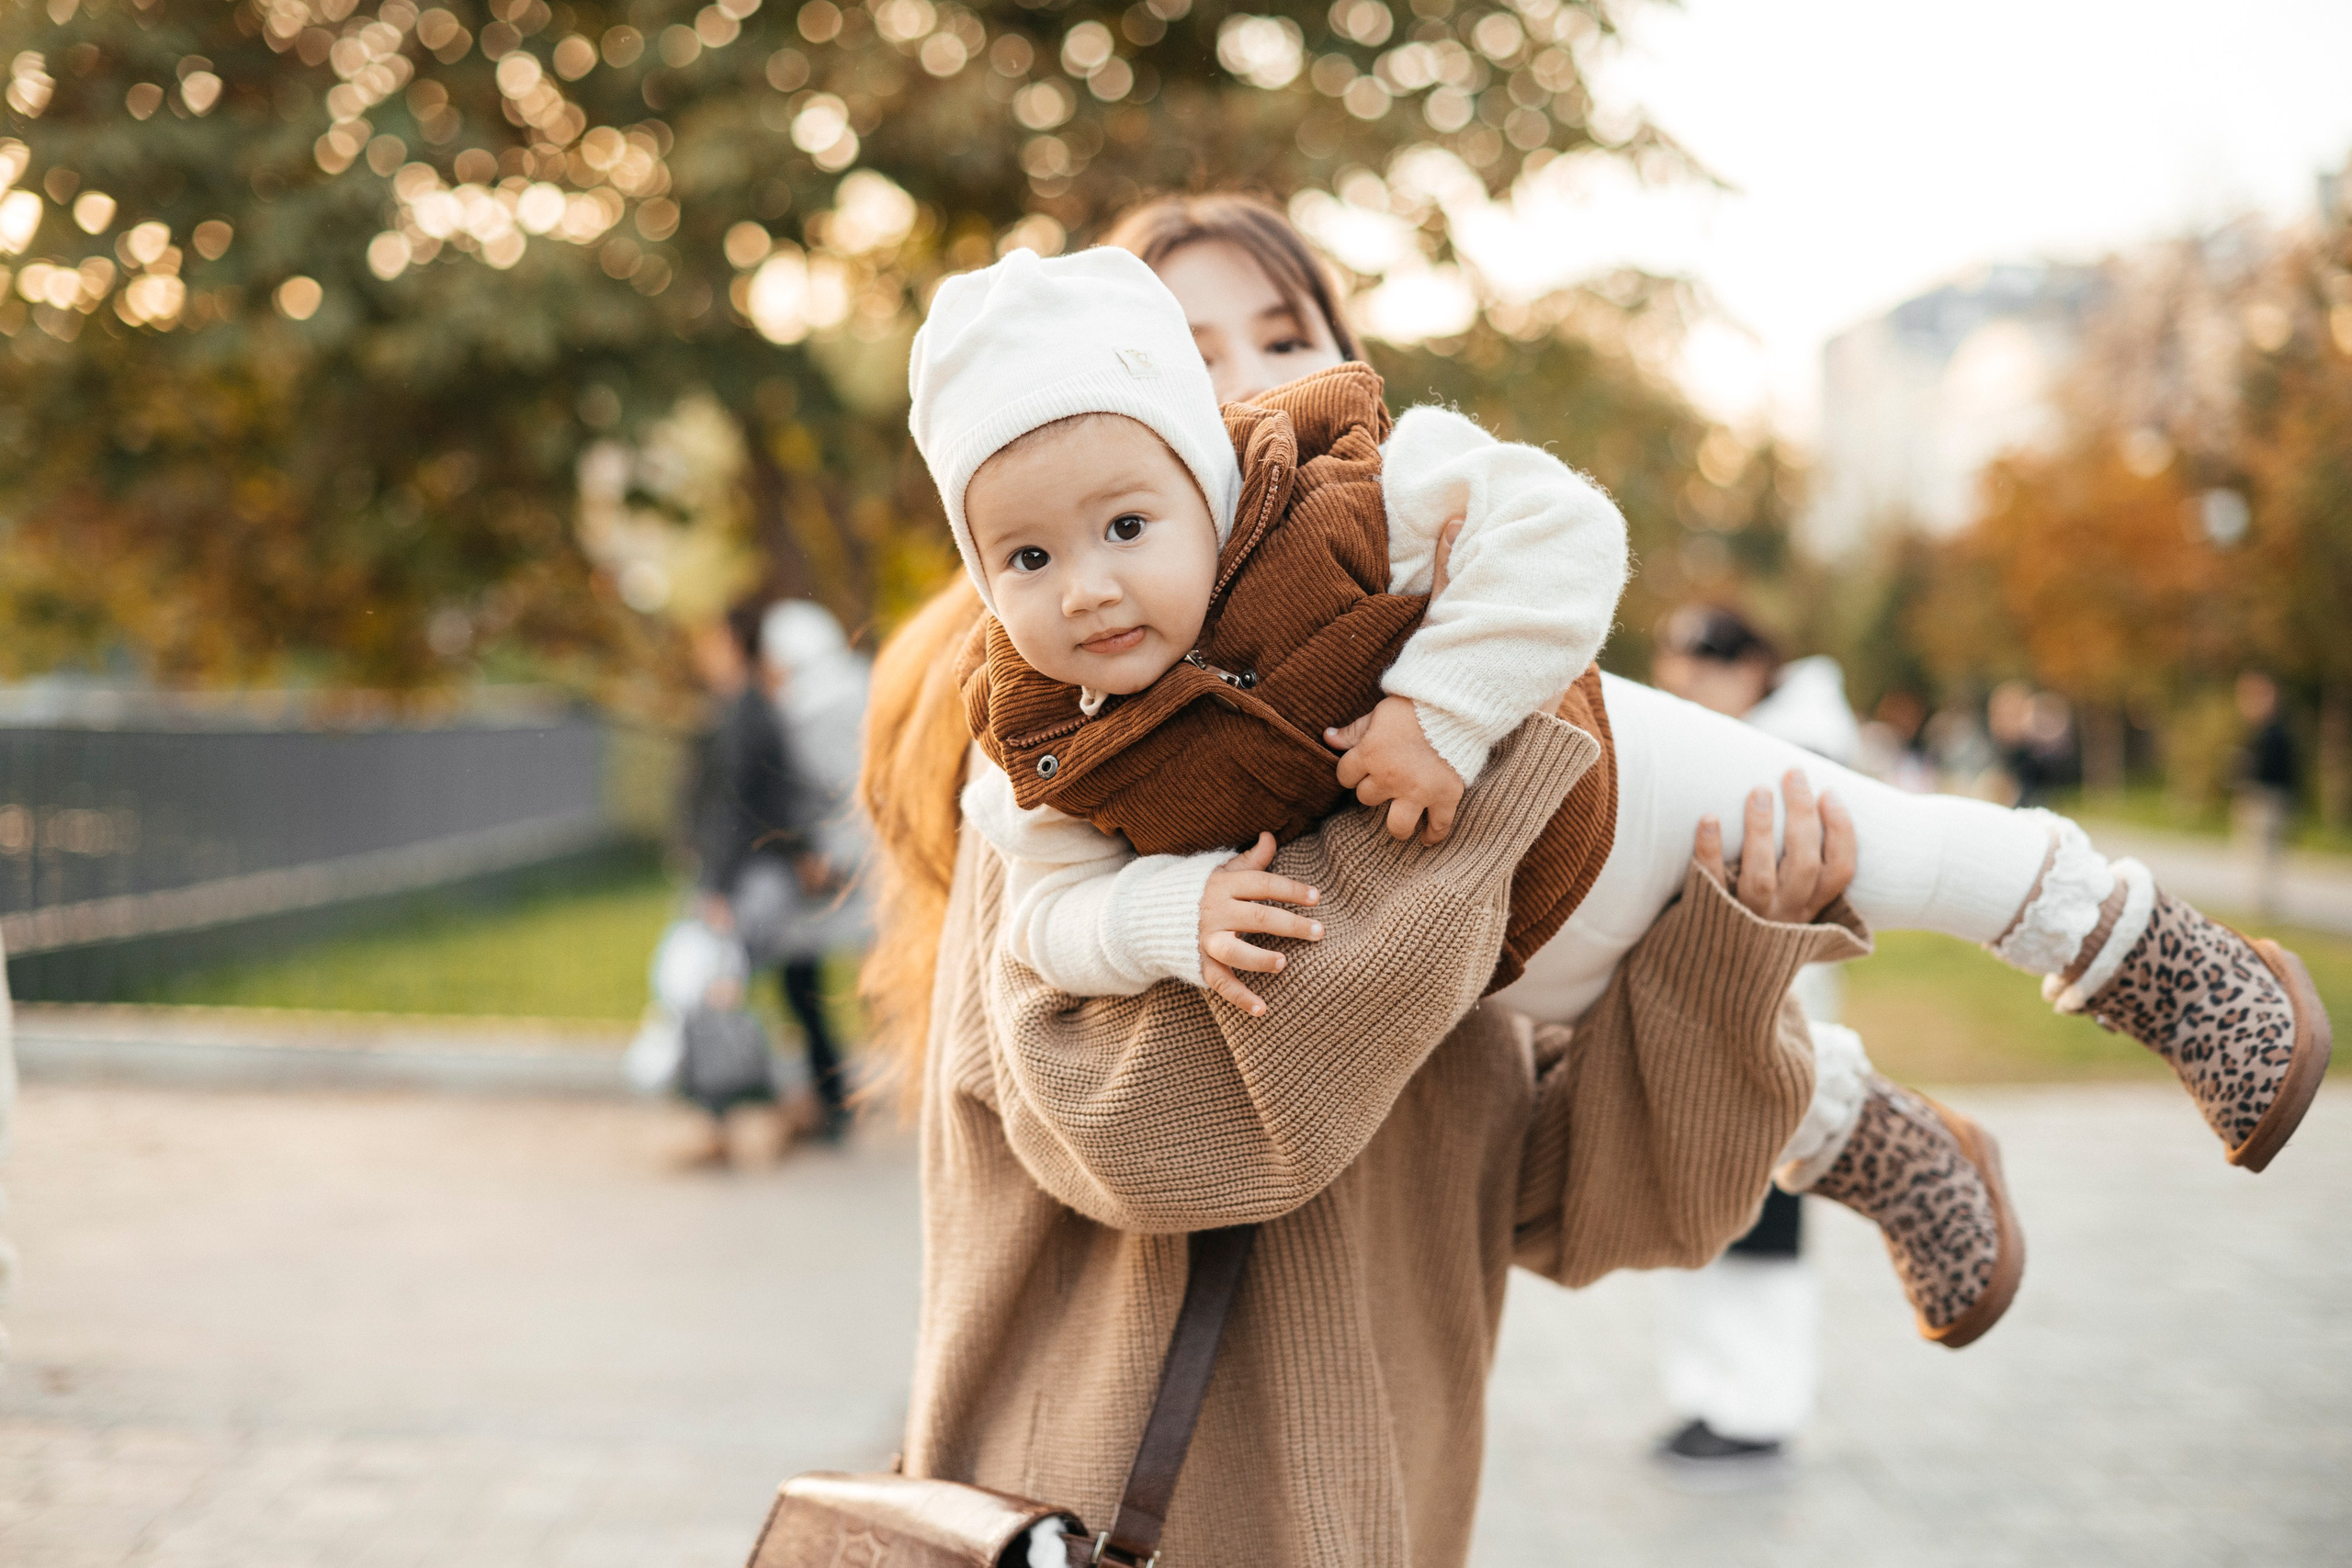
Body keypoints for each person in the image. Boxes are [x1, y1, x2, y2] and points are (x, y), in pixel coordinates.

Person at [911, 237, 2328, 1350]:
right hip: (1484, 951)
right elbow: (1048, 907)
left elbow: (1563, 528)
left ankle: (2143, 949)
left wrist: (1441, 708)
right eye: (1025, 557)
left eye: (1276, 341)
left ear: (1205, 454)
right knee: (1633, 1032)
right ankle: (1893, 1152)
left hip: (1611, 782)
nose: (1087, 583)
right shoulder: (1044, 737)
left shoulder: (1350, 491)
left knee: (1874, 845)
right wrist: (1173, 908)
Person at [1647, 603, 1862, 1479]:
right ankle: (1712, 1395)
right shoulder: (1737, 743)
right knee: (1705, 1212)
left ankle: (1761, 1404)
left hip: (1777, 1015)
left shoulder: (1799, 754)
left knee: (1764, 1219)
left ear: (1749, 669)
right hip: (1714, 1011)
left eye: (1703, 672)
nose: (1688, 689)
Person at [684, 598, 826, 1153]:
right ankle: (787, 1108)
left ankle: (742, 1117)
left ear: (732, 644)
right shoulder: (749, 708)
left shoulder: (745, 712)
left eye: (712, 640)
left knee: (721, 986)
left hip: (750, 876)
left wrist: (716, 887)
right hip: (763, 870)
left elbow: (737, 807)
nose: (704, 652)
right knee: (751, 986)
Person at [2234, 671, 2298, 919]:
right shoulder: (2258, 732)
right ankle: (2259, 902)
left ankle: (2264, 905)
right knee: (2257, 852)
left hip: (2268, 798)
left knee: (2265, 852)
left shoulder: (2276, 734)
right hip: (2259, 797)